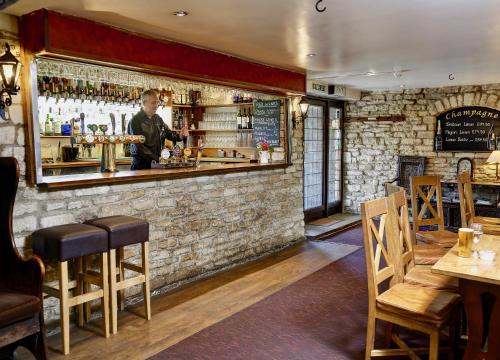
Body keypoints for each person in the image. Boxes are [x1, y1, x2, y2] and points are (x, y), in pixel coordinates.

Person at [128, 89, 189, 170]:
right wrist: (157, 159)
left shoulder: (158, 119)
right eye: (153, 103)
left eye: (157, 102)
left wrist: (180, 136)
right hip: (141, 166)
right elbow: (139, 148)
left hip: (156, 165)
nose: (156, 105)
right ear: (144, 103)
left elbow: (169, 134)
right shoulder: (135, 121)